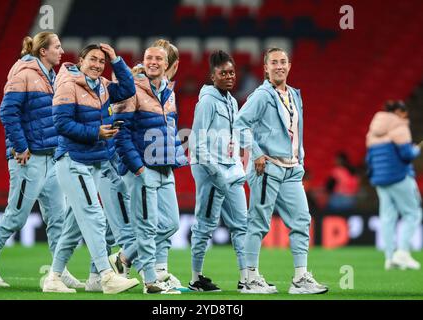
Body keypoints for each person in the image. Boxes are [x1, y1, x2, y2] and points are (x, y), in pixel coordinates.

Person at [0, 32, 82, 289]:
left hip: (51, 158)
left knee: (58, 219)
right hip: (29, 158)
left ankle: (58, 272)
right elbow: (7, 111)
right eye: (56, 46)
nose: (60, 50)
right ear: (43, 51)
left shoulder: (53, 76)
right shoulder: (22, 73)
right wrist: (20, 147)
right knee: (16, 217)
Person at [41, 43, 140, 294]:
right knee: (95, 216)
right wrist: (95, 132)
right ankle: (107, 276)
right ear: (81, 60)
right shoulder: (68, 85)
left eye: (102, 62)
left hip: (95, 162)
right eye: (93, 60)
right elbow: (61, 124)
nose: (97, 65)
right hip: (73, 161)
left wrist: (117, 60)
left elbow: (128, 89)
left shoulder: (104, 86)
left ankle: (53, 277)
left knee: (74, 226)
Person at [233, 47, 328, 294]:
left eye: (283, 62)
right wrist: (256, 153)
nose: (279, 66)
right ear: (265, 68)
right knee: (258, 223)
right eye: (273, 62)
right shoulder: (261, 95)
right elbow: (239, 123)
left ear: (289, 66)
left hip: (291, 169)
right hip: (268, 168)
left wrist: (300, 160)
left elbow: (295, 131)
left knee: (301, 220)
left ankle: (300, 278)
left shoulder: (295, 95)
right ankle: (250, 279)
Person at [110, 39, 189, 292]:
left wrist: (174, 158)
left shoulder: (169, 90)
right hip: (142, 168)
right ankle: (150, 282)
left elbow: (171, 128)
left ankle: (123, 258)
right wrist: (138, 168)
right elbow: (120, 132)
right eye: (149, 58)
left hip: (165, 167)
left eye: (158, 59)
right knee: (146, 226)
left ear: (167, 65)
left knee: (171, 224)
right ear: (143, 62)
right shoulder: (131, 88)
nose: (153, 62)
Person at [188, 50, 247, 292]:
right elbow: (197, 144)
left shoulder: (232, 102)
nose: (229, 76)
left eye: (231, 72)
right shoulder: (208, 102)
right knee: (205, 224)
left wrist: (237, 166)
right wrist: (217, 173)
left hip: (230, 169)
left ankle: (247, 278)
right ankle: (195, 278)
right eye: (223, 73)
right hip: (209, 170)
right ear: (213, 76)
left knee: (242, 224)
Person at [366, 100, 422, 270]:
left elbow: (369, 158)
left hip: (380, 179)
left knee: (387, 218)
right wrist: (417, 149)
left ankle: (390, 258)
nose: (406, 116)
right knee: (413, 213)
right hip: (399, 176)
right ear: (400, 112)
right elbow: (407, 155)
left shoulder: (373, 130)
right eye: (405, 112)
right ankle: (402, 253)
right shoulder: (400, 126)